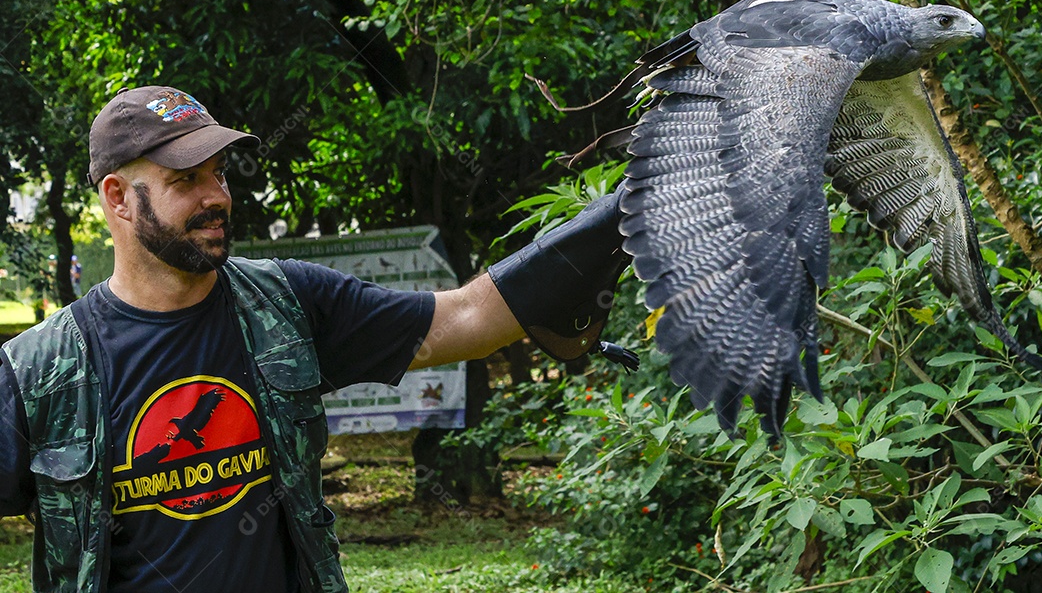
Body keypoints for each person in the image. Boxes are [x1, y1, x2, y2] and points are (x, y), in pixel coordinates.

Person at [0, 85, 633, 593]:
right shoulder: (41, 370)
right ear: (117, 198)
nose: (216, 195)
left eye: (218, 173)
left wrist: (626, 208)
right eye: (185, 180)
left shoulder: (287, 302)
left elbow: (462, 319)